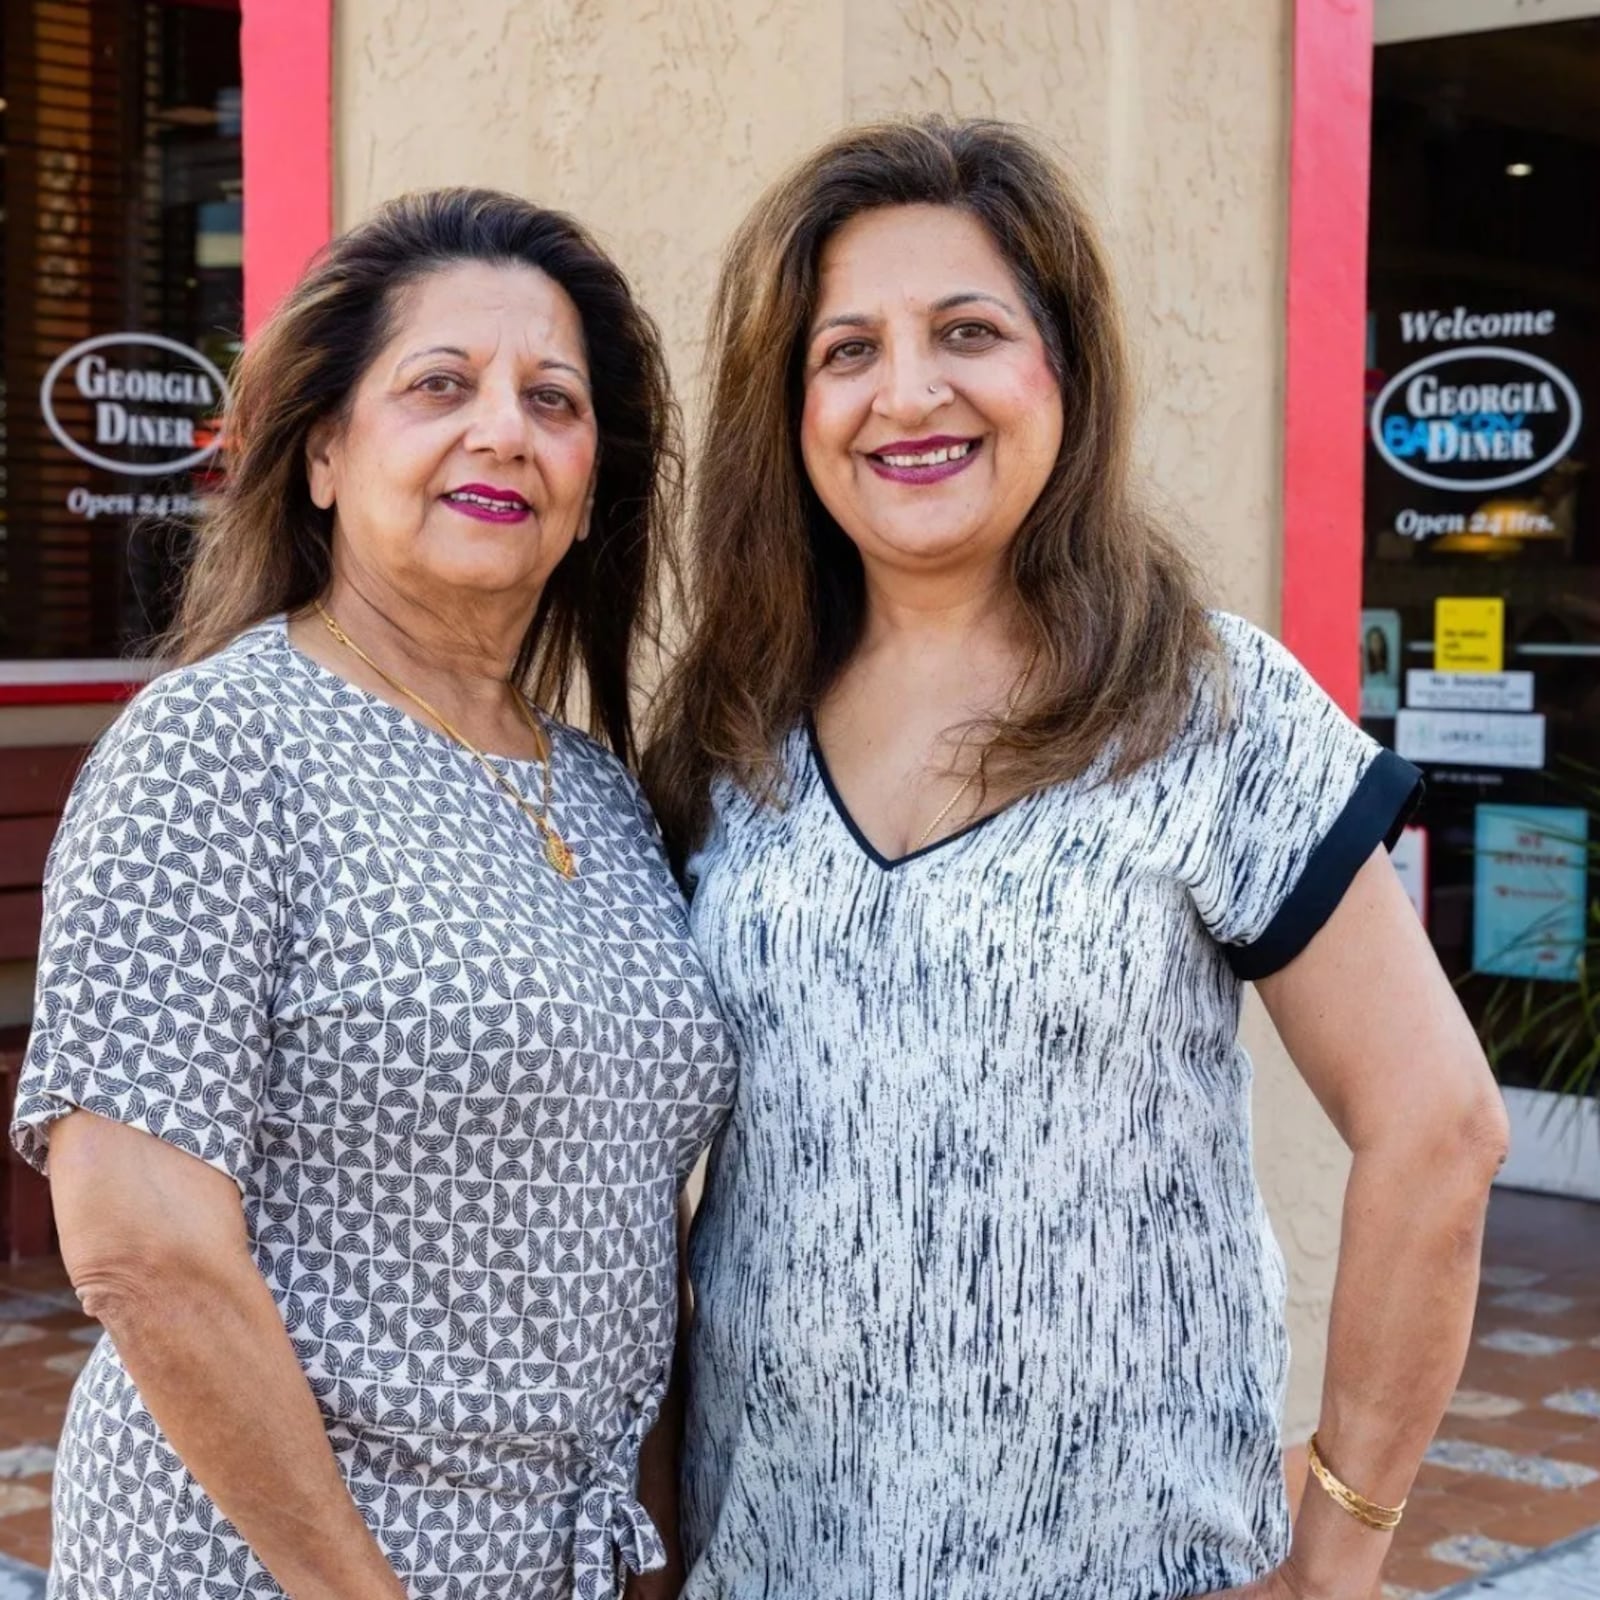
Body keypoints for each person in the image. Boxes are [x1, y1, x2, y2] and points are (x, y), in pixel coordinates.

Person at [646, 118, 1509, 1600]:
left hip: (1132, 1565)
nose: (906, 393)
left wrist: (1339, 1555)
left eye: (968, 332)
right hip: (771, 1562)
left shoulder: (1203, 705)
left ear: (1064, 371)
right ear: (788, 409)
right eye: (845, 350)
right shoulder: (729, 732)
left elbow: (1439, 1128)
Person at [12, 189, 734, 1600]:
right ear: (327, 451)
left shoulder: (594, 788)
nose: (503, 431)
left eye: (552, 400)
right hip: (267, 1564)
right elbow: (142, 1252)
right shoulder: (218, 748)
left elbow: (632, 1227)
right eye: (440, 386)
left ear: (592, 485)